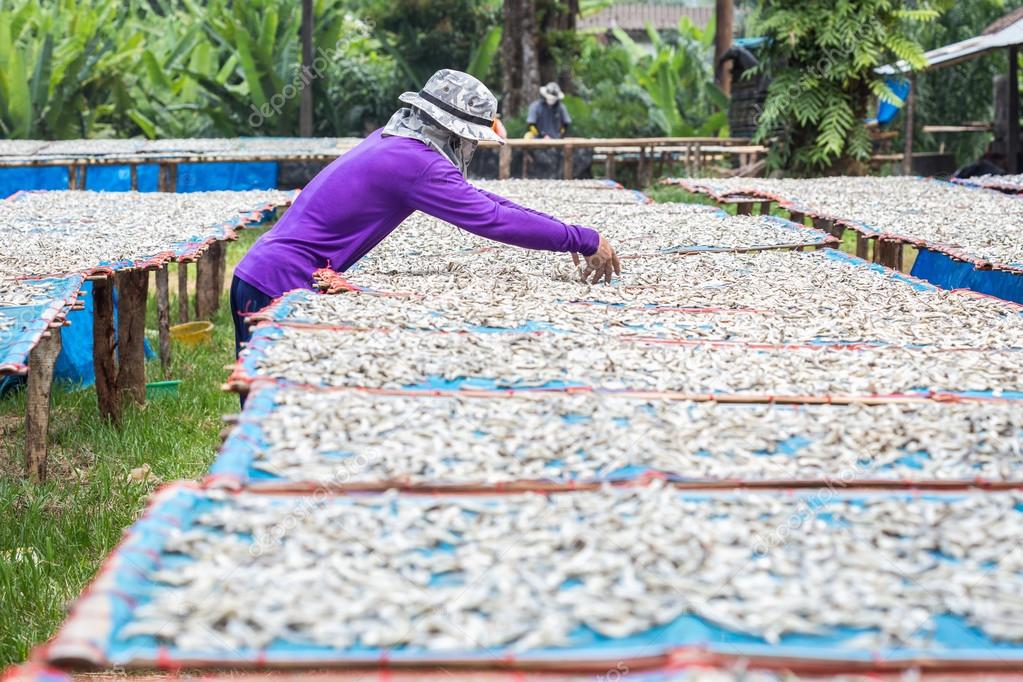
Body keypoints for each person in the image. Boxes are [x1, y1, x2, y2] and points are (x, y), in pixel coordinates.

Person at [231, 69, 620, 359]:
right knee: (273, 415)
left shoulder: (393, 142)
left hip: (264, 272)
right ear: (454, 133)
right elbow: (492, 220)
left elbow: (484, 201)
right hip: (279, 283)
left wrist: (572, 230)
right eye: (470, 140)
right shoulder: (416, 165)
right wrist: (580, 239)